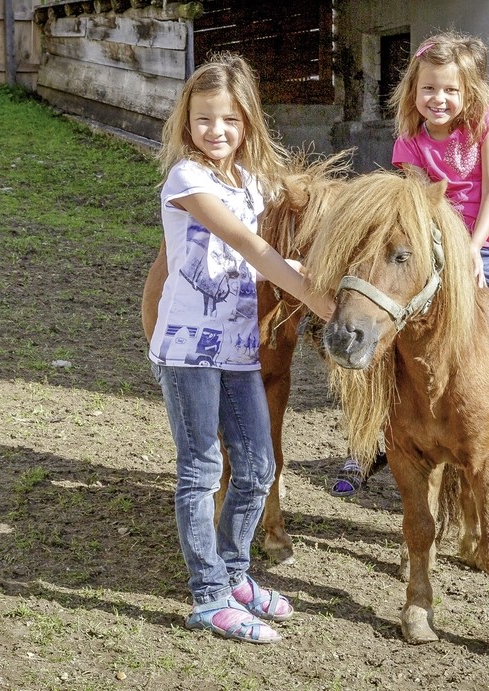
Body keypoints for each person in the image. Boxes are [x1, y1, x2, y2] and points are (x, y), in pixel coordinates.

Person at [148, 52, 336, 644]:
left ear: (247, 123)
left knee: (256, 468)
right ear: (186, 123)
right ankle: (208, 596)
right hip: (188, 349)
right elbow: (252, 250)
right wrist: (322, 302)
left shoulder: (250, 183)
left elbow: (273, 243)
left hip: (237, 351)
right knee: (202, 469)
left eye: (229, 120)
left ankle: (234, 575)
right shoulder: (187, 180)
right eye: (204, 120)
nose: (216, 131)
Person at [386, 31, 489, 522]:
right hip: (438, 247)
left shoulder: (488, 128)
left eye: (450, 90)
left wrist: (474, 249)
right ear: (413, 92)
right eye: (429, 89)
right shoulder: (408, 143)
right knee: (389, 324)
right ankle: (381, 434)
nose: (439, 100)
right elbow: (418, 208)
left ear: (469, 92)